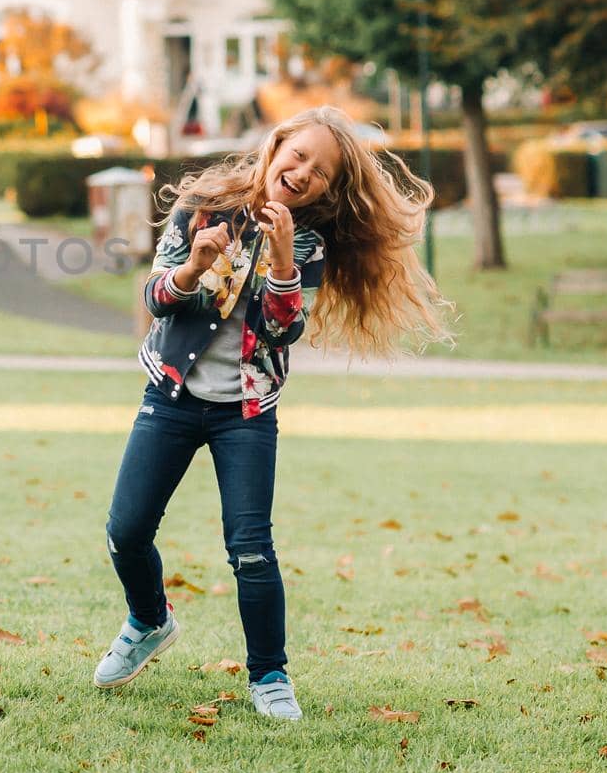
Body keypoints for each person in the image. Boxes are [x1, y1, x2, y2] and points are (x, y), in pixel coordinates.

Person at [93, 107, 450, 719]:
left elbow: (283, 331)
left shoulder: (307, 242)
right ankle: (149, 621)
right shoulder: (201, 207)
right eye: (300, 154)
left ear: (330, 189)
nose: (304, 171)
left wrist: (284, 263)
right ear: (276, 147)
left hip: (247, 412)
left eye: (322, 170)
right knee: (126, 531)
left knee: (251, 547)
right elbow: (156, 299)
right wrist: (194, 266)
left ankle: (270, 676)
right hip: (172, 397)